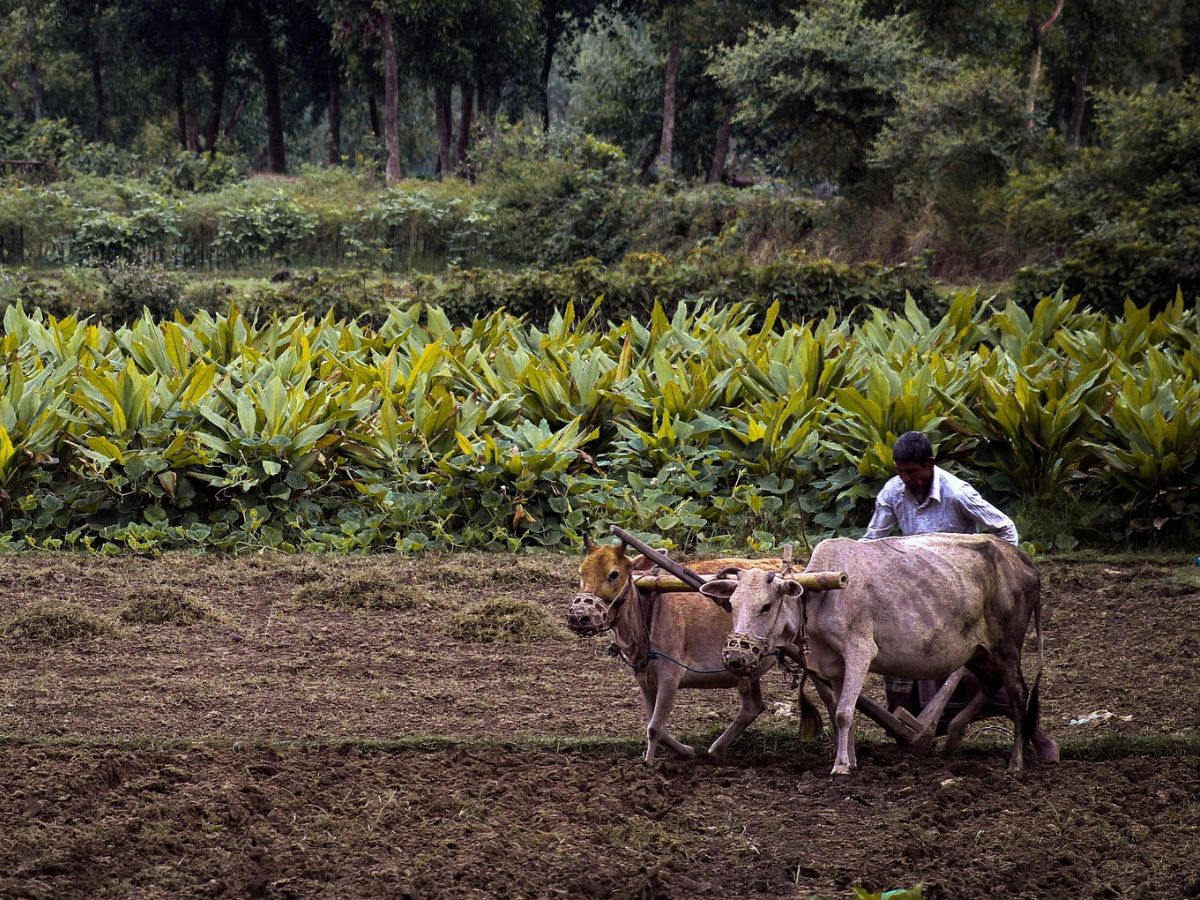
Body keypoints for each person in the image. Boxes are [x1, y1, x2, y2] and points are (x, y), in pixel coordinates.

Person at [861, 430, 1060, 763]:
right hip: (917, 590)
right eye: (901, 472)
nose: (907, 479)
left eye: (913, 472)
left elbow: (1005, 528)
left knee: (987, 669)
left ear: (929, 465)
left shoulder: (957, 493)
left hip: (961, 591)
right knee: (903, 657)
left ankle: (1039, 739)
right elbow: (871, 540)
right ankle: (929, 731)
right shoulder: (893, 492)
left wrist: (998, 580)